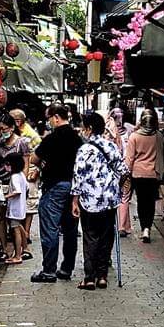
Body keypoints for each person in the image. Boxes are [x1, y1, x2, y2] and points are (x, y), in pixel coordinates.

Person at [72, 112, 129, 290]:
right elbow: (124, 170)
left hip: (89, 200)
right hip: (109, 200)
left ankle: (89, 278)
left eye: (84, 127)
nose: (82, 131)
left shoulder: (84, 149)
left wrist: (74, 200)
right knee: (106, 236)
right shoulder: (111, 147)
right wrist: (117, 187)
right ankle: (102, 276)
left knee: (90, 237)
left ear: (89, 129)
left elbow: (78, 176)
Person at [28, 102, 83, 283]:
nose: (48, 121)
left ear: (56, 117)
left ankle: (49, 270)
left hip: (54, 187)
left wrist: (43, 163)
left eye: (49, 118)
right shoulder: (77, 139)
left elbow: (34, 158)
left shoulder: (52, 138)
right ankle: (66, 268)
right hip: (73, 188)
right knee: (70, 230)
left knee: (50, 228)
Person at [0, 114, 29, 257]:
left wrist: (23, 182)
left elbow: (26, 164)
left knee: (15, 220)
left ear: (12, 128)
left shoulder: (21, 143)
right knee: (0, 218)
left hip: (13, 184)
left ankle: (23, 248)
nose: (2, 132)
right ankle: (4, 249)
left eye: (4, 129)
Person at [125, 110, 164, 242]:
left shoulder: (134, 137)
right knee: (150, 202)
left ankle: (144, 229)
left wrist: (126, 174)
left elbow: (129, 158)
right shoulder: (158, 136)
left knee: (141, 202)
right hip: (153, 173)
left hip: (138, 173)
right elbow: (162, 154)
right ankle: (148, 227)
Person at [10, 108, 41, 255]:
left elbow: (34, 155)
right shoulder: (16, 133)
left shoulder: (29, 134)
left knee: (29, 204)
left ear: (18, 121)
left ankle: (26, 233)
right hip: (20, 171)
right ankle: (22, 235)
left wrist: (33, 172)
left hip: (29, 171)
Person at [104, 107, 133, 237]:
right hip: (123, 169)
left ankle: (122, 226)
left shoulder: (107, 133)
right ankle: (122, 226)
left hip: (110, 171)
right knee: (124, 197)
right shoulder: (129, 132)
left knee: (114, 196)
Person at [3, 154, 29, 264]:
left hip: (15, 209)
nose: (5, 167)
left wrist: (5, 197)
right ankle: (25, 247)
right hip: (21, 207)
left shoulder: (14, 177)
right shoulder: (21, 175)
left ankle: (18, 255)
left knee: (16, 230)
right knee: (19, 226)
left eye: (7, 164)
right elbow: (26, 188)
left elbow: (17, 191)